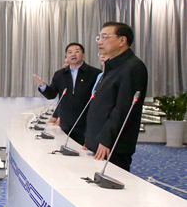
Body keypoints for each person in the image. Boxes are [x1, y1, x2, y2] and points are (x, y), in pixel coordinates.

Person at [83, 22, 148, 171]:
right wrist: (90, 138)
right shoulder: (112, 66)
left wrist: (106, 139)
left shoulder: (133, 67)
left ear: (122, 40)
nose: (100, 42)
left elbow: (124, 108)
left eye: (105, 37)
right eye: (99, 37)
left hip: (113, 145)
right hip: (99, 141)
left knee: (110, 181)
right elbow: (101, 105)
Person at [33, 42, 101, 145]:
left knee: (85, 151)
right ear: (66, 56)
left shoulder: (95, 73)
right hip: (65, 123)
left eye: (77, 51)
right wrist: (43, 85)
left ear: (83, 55)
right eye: (70, 52)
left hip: (86, 122)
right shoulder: (60, 74)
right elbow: (51, 95)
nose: (73, 54)